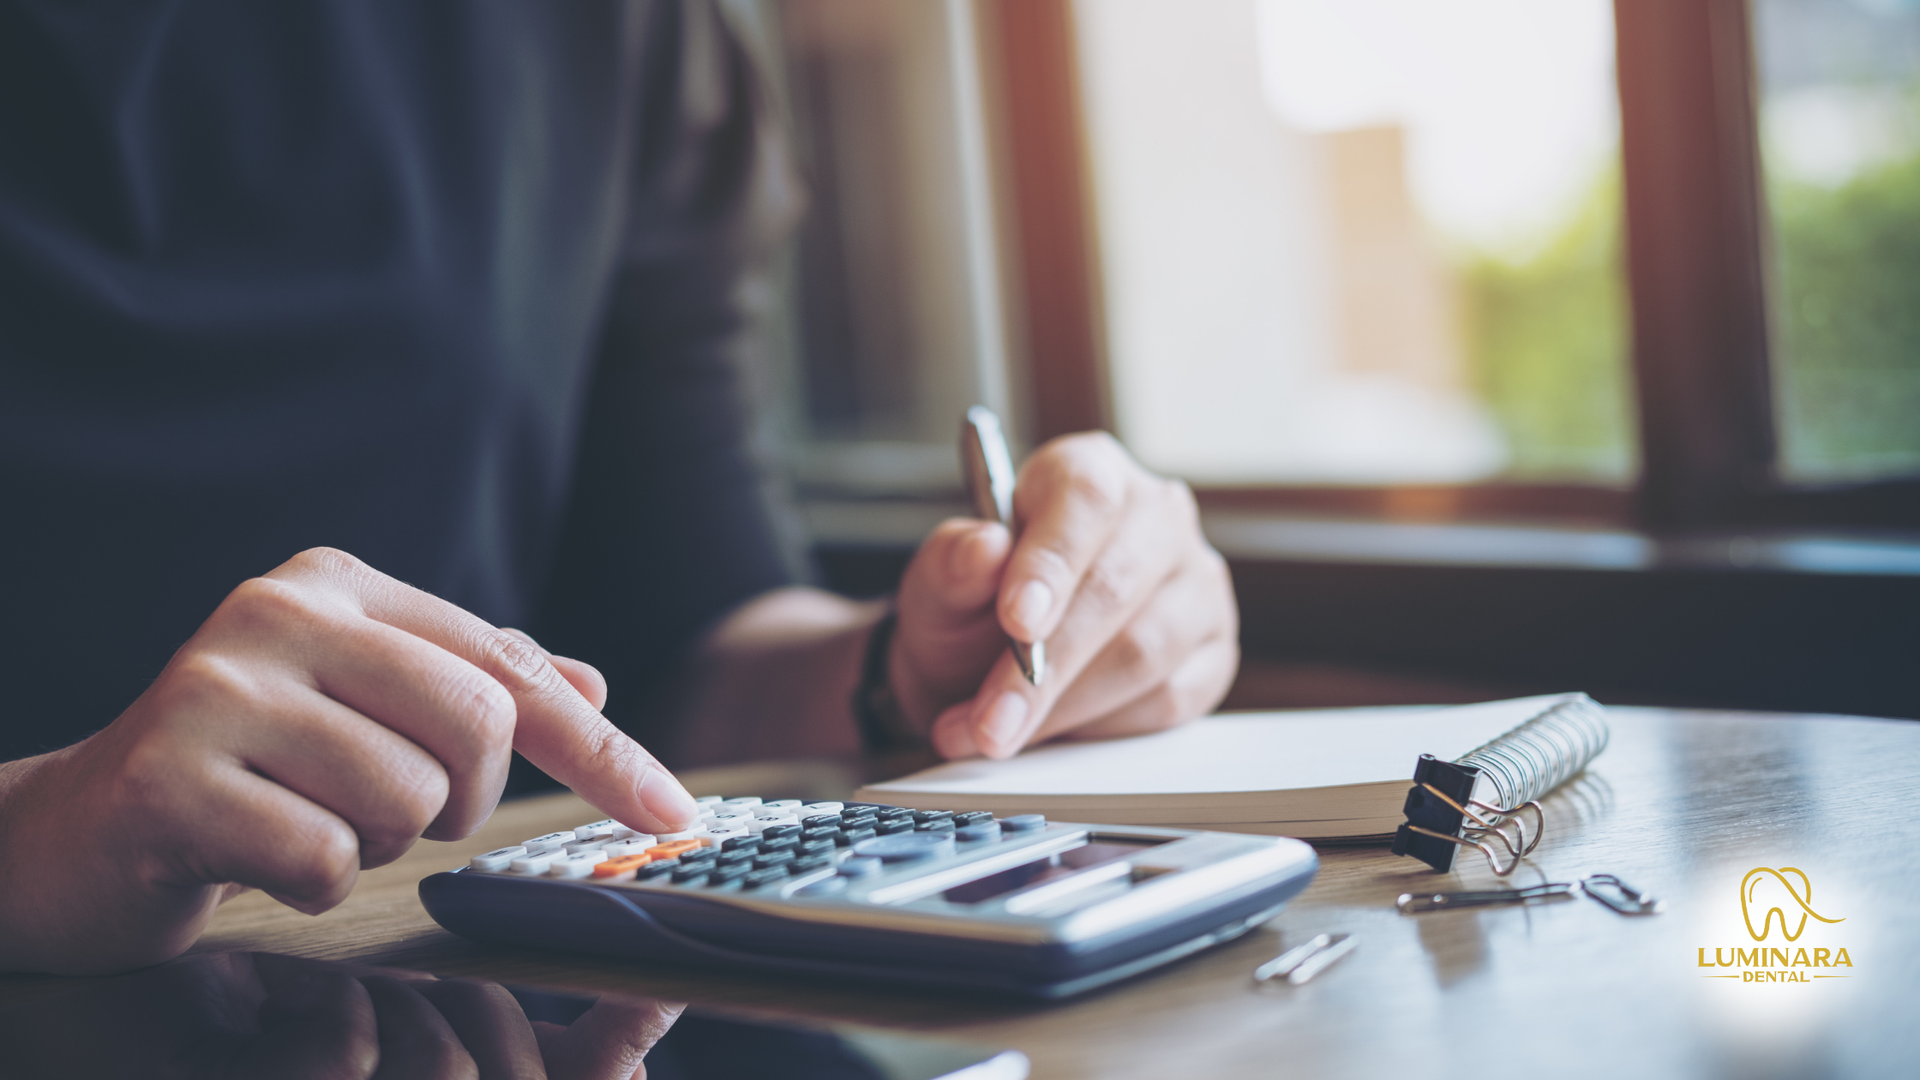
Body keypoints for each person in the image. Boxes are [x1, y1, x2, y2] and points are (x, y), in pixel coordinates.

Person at [0, 1, 1237, 976]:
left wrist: (914, 669)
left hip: (436, 1003)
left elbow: (682, 629)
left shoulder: (604, 25)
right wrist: (40, 828)